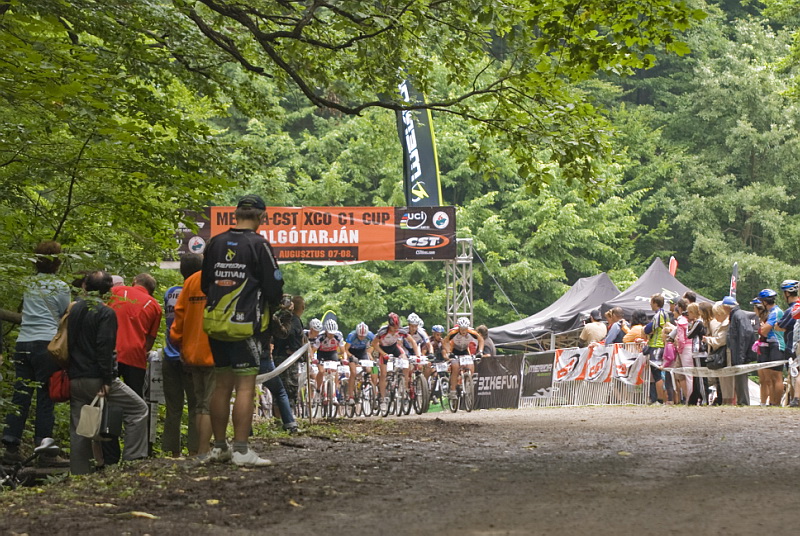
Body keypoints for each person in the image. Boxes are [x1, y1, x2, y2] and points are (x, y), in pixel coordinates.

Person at [201, 194, 284, 467]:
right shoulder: (259, 245)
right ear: (262, 217)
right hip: (246, 325)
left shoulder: (215, 243)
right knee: (245, 387)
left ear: (235, 215)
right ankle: (241, 449)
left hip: (216, 322)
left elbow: (204, 283)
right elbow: (274, 287)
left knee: (221, 385)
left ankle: (219, 447)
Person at [68, 271, 148, 475]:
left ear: (85, 286)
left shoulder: (74, 310)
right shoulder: (105, 312)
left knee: (79, 426)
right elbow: (105, 347)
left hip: (75, 377)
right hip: (97, 378)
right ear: (109, 291)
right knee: (139, 409)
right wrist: (107, 379)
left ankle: (79, 473)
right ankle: (132, 462)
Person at [2, 241, 70, 466]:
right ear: (57, 261)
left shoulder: (28, 283)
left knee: (20, 396)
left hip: (23, 343)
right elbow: (64, 315)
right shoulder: (60, 286)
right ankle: (45, 450)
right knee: (45, 398)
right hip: (46, 345)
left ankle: (11, 446)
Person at [104, 273, 162, 466]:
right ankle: (134, 455)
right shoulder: (155, 306)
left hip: (110, 353)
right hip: (135, 359)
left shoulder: (117, 291)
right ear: (151, 290)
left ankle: (110, 457)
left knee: (108, 404)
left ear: (134, 282)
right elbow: (149, 341)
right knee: (136, 406)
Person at [169, 259, 216, 462]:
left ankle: (199, 450)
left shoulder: (190, 282)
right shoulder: (221, 279)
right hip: (215, 352)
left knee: (198, 403)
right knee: (208, 405)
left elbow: (179, 316)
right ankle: (203, 450)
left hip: (192, 352)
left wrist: (180, 342)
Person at [162, 254, 202, 457]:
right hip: (190, 356)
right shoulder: (200, 293)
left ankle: (172, 451)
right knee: (196, 406)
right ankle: (194, 449)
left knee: (173, 407)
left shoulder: (170, 293)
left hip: (169, 356)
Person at [372, 313, 420, 412]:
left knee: (406, 362)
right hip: (383, 350)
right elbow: (374, 344)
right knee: (383, 374)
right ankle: (382, 399)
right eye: (393, 327)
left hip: (394, 348)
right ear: (389, 325)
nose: (395, 330)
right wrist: (383, 353)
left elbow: (413, 342)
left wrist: (417, 355)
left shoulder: (401, 330)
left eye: (397, 327)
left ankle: (404, 387)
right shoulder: (382, 332)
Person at [272, 296, 306, 410]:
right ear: (302, 307)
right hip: (287, 358)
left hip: (280, 355)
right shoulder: (293, 320)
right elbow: (290, 334)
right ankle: (287, 415)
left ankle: (282, 415)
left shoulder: (281, 318)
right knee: (289, 389)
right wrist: (292, 348)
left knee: (280, 389)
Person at [442, 318, 484, 401]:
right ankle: (453, 391)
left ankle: (468, 381)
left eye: (465, 329)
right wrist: (449, 352)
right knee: (455, 367)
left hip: (465, 350)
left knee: (471, 366)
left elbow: (481, 340)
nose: (464, 331)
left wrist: (480, 351)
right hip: (454, 351)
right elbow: (444, 341)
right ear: (459, 328)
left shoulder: (472, 332)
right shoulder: (453, 332)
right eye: (462, 329)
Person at [756, 289, 784, 406]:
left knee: (777, 376)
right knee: (772, 377)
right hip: (771, 344)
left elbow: (763, 331)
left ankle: (776, 402)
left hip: (777, 344)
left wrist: (763, 327)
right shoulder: (771, 312)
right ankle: (772, 402)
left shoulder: (775, 312)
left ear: (764, 302)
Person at [723, 296, 752, 406]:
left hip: (739, 353)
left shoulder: (738, 315)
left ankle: (743, 402)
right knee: (739, 378)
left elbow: (744, 335)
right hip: (738, 352)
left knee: (741, 378)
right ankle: (741, 401)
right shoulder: (737, 315)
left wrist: (741, 355)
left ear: (727, 307)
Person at [311, 319, 347, 403]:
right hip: (321, 353)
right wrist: (313, 359)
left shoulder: (338, 336)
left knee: (335, 370)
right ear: (326, 331)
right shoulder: (320, 337)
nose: (331, 335)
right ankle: (318, 389)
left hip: (332, 353)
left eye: (333, 333)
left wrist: (344, 359)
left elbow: (343, 351)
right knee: (321, 371)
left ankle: (334, 391)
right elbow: (313, 350)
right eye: (330, 333)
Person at [704, 302, 732, 405]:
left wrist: (708, 340)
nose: (715, 317)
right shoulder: (722, 324)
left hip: (724, 355)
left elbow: (720, 341)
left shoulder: (725, 325)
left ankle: (727, 401)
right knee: (723, 381)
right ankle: (725, 400)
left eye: (716, 315)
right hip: (722, 355)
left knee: (726, 382)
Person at [776, 280, 799, 406]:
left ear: (787, 293)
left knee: (793, 374)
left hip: (791, 346)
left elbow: (778, 326)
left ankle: (794, 400)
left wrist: (785, 328)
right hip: (793, 345)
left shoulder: (791, 310)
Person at [643, 294, 669, 404]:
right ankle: (664, 399)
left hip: (657, 345)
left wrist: (645, 329)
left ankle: (660, 399)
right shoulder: (665, 314)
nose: (650, 304)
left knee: (657, 373)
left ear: (655, 303)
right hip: (661, 345)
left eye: (651, 302)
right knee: (659, 373)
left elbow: (649, 329)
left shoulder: (659, 315)